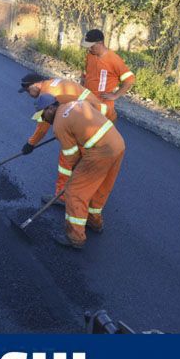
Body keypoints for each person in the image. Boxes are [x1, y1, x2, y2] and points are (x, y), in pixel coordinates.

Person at [33, 94, 125, 249]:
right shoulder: (76, 103)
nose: (43, 120)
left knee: (75, 191)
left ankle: (75, 237)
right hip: (117, 143)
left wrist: (77, 174)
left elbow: (72, 155)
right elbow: (99, 114)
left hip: (100, 151)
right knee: (100, 188)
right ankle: (94, 221)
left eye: (42, 116)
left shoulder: (59, 125)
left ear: (50, 109)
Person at [18, 73, 107, 206]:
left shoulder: (46, 94)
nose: (28, 94)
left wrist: (30, 144)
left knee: (67, 157)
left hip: (91, 119)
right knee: (86, 158)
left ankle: (64, 197)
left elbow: (43, 125)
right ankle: (86, 193)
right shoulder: (52, 83)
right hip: (98, 114)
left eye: (27, 90)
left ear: (35, 85)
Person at [81, 29, 135, 122]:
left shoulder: (114, 60)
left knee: (100, 129)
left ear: (100, 43)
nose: (89, 49)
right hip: (87, 101)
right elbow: (86, 74)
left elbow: (129, 79)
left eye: (91, 46)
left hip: (103, 107)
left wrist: (115, 95)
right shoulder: (90, 55)